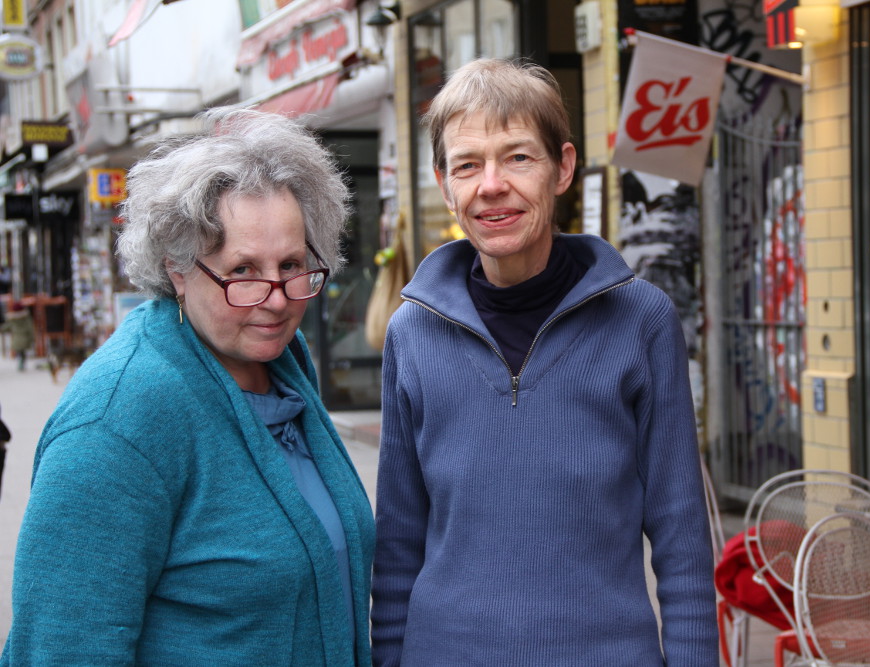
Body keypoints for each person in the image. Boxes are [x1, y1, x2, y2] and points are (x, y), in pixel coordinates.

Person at [371, 58, 718, 665]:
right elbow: (398, 543)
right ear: (444, 184)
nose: (491, 185)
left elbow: (681, 536)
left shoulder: (641, 321)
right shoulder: (412, 333)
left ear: (563, 167)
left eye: (517, 157)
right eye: (467, 165)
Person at [2, 107, 375, 665]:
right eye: (242, 271)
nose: (276, 298)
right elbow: (62, 646)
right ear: (178, 269)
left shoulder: (282, 363)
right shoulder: (117, 420)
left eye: (292, 264)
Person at [0, 300, 34, 371]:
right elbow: (30, 329)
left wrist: (2, 329)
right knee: (23, 351)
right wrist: (32, 338)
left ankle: (20, 361)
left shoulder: (12, 319)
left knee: (19, 351)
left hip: (16, 339)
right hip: (25, 338)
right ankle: (22, 361)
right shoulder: (26, 318)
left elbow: (7, 327)